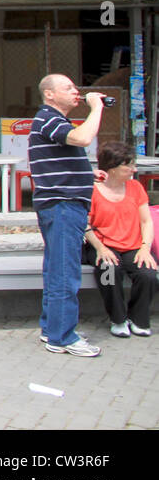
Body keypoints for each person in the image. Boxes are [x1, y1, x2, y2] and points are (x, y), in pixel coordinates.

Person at [29, 72, 105, 357]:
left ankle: (52, 328)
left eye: (75, 87)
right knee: (65, 272)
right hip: (63, 206)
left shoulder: (56, 121)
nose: (76, 92)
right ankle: (63, 338)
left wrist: (88, 174)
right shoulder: (49, 118)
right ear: (50, 94)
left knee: (56, 269)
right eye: (68, 87)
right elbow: (84, 138)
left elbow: (57, 158)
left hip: (61, 204)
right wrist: (96, 108)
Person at [85, 141, 157, 338]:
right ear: (112, 168)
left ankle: (139, 319)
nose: (134, 169)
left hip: (133, 246)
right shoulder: (92, 190)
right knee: (108, 271)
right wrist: (100, 248)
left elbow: (146, 221)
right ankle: (118, 319)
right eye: (129, 165)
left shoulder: (135, 188)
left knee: (148, 273)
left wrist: (145, 248)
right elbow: (85, 225)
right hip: (103, 245)